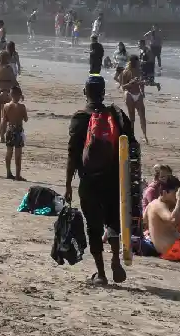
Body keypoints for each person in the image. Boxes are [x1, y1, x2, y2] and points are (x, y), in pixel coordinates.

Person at [65, 75, 135, 285]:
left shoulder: (80, 118)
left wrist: (68, 183)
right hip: (114, 180)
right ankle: (115, 259)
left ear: (85, 92)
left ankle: (101, 273)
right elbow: (131, 146)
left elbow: (72, 153)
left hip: (89, 181)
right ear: (103, 92)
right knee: (114, 221)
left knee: (93, 226)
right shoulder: (117, 114)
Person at [118, 55, 149, 144]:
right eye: (138, 61)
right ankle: (132, 137)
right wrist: (131, 83)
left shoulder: (139, 71)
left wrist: (143, 92)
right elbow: (123, 87)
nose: (139, 63)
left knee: (142, 116)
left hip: (138, 94)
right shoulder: (125, 72)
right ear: (133, 62)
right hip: (129, 95)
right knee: (132, 118)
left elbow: (141, 83)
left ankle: (145, 136)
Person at [0, 50, 18, 139]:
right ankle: (6, 134)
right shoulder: (8, 67)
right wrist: (18, 89)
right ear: (7, 58)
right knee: (6, 116)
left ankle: (2, 136)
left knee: (0, 116)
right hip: (5, 92)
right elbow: (13, 80)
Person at [2, 85, 28, 181]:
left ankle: (8, 173)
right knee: (18, 154)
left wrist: (2, 134)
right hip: (18, 131)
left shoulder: (6, 106)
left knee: (9, 153)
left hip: (9, 130)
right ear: (19, 95)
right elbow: (25, 119)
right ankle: (17, 175)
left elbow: (4, 120)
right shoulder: (21, 107)